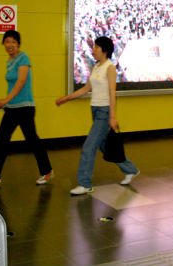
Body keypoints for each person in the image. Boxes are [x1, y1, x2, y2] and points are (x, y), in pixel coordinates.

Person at [56, 36, 139, 195]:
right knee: (105, 146)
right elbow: (86, 88)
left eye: (96, 47)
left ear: (104, 50)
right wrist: (66, 98)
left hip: (104, 112)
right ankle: (131, 169)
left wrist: (112, 117)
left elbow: (112, 93)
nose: (93, 50)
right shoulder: (96, 67)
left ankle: (84, 183)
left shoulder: (110, 68)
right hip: (95, 111)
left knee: (88, 146)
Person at [0, 30, 54, 188]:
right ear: (3, 44)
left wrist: (5, 100)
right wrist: (8, 102)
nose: (10, 45)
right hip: (12, 108)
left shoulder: (23, 58)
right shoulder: (9, 60)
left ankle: (47, 172)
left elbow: (21, 82)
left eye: (13, 42)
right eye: (7, 42)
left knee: (32, 140)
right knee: (1, 140)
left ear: (18, 44)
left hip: (25, 107)